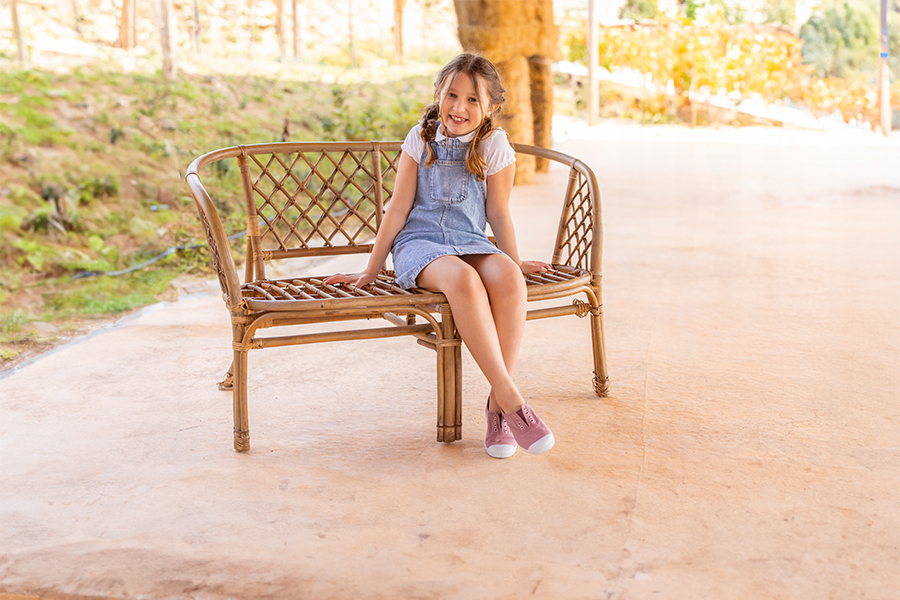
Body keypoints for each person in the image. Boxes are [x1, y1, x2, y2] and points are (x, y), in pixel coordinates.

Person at [324, 53, 554, 458]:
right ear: (439, 94)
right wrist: (370, 269)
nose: (458, 108)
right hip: (421, 244)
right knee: (464, 280)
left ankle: (495, 406)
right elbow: (397, 208)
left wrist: (513, 262)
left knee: (508, 279)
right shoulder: (421, 137)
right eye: (452, 95)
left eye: (472, 100)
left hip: (470, 239)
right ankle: (512, 402)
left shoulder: (494, 145)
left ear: (490, 108)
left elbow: (498, 213)